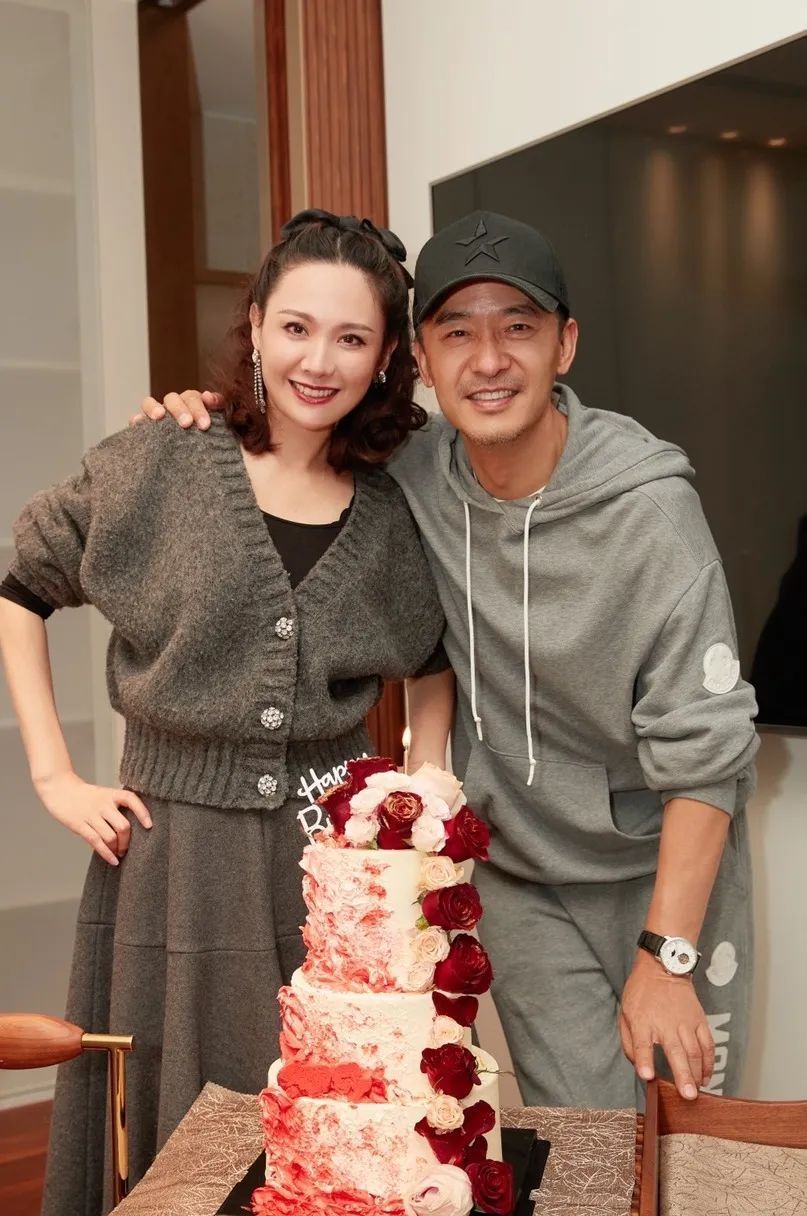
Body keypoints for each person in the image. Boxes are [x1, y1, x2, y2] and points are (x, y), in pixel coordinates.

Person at [138, 209, 759, 1111]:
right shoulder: (411, 474)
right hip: (518, 870)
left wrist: (666, 960)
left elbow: (706, 753)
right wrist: (197, 416)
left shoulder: (651, 513)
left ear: (564, 344)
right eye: (457, 332)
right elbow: (291, 441)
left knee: (692, 1137)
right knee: (586, 1141)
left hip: (656, 867)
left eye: (518, 328)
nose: (489, 359)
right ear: (421, 362)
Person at [0, 209, 447, 1215]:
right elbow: (21, 587)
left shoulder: (390, 511)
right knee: (183, 1138)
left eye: (351, 337)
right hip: (175, 859)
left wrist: (419, 793)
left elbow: (429, 660)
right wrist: (53, 775)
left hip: (330, 866)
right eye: (295, 327)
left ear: (386, 356)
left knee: (332, 1133)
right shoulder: (162, 458)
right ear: (253, 326)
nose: (317, 361)